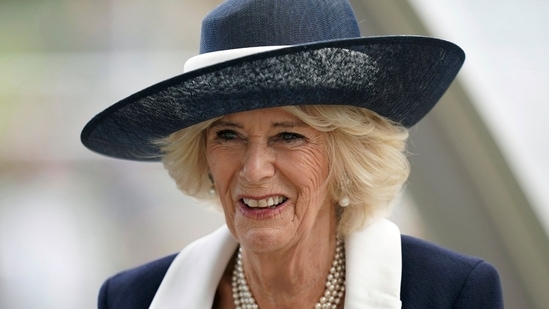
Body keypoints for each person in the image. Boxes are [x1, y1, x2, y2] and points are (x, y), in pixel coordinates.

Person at [82, 0, 503, 308]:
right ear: (202, 156)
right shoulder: (131, 299)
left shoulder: (451, 294)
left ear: (346, 156)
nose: (254, 169)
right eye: (228, 135)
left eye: (288, 137)